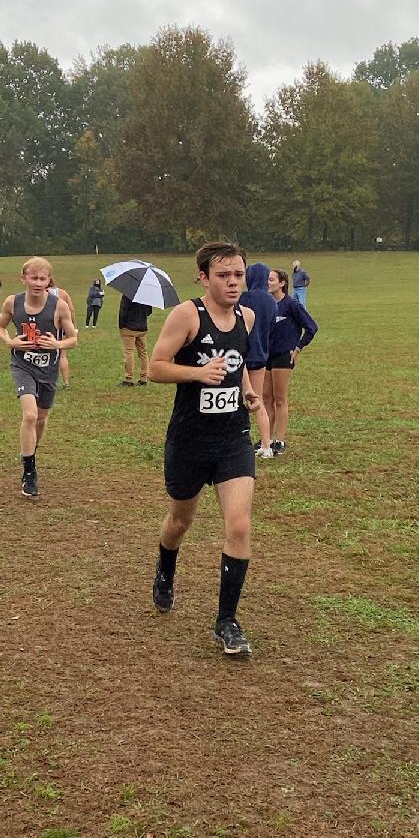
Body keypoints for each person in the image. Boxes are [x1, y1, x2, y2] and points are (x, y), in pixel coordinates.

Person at [148, 240, 262, 657]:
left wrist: (247, 391)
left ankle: (226, 622)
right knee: (180, 521)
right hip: (190, 439)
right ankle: (165, 568)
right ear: (203, 277)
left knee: (239, 526)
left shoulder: (247, 317)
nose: (233, 283)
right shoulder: (187, 315)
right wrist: (198, 372)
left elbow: (239, 362)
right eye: (223, 275)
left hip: (232, 438)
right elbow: (155, 367)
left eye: (238, 275)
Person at [0, 256, 77, 497]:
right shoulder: (12, 303)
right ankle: (29, 472)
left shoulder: (58, 305)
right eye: (33, 278)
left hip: (48, 369)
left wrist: (57, 343)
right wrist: (9, 341)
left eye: (43, 278)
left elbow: (73, 338)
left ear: (49, 280)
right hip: (22, 366)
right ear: (24, 278)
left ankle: (31, 450)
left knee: (41, 419)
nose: (38, 282)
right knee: (29, 415)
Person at [264, 269, 318, 455]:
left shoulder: (291, 304)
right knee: (266, 399)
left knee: (280, 399)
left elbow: (311, 327)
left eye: (271, 279)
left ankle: (280, 441)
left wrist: (298, 347)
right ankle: (266, 440)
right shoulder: (266, 304)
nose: (267, 282)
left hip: (283, 356)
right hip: (266, 356)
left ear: (282, 283)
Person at [240, 262, 278, 459]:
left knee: (239, 399)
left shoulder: (244, 297)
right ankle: (266, 444)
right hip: (262, 355)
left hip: (243, 355)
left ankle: (239, 439)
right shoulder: (272, 301)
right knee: (259, 400)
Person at [47, 278, 77, 389]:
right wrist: (73, 326)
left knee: (47, 354)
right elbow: (72, 309)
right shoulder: (63, 292)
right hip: (63, 325)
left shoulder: (43, 293)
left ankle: (48, 381)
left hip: (49, 324)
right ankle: (66, 382)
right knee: (63, 355)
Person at [119, 294, 152, 386]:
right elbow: (149, 311)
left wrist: (122, 325)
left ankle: (128, 378)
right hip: (142, 327)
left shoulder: (128, 294)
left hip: (129, 327)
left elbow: (123, 311)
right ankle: (144, 377)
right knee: (143, 353)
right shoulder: (147, 295)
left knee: (129, 352)